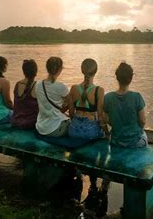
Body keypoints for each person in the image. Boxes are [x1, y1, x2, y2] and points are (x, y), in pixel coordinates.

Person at [68, 58, 109, 213]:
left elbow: (71, 114)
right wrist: (107, 133)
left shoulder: (73, 88)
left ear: (82, 70)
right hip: (91, 132)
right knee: (102, 143)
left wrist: (78, 124)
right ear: (95, 71)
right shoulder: (99, 90)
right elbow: (101, 116)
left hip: (74, 130)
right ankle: (95, 181)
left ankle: (79, 171)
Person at [103, 62, 147, 148]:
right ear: (131, 78)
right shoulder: (137, 97)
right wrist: (138, 129)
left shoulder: (108, 97)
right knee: (144, 135)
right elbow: (143, 121)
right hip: (135, 142)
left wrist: (116, 125)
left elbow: (106, 118)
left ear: (117, 78)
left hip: (116, 140)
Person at [11, 59, 39, 129]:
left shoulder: (18, 84)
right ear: (35, 72)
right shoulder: (36, 85)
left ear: (24, 72)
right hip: (30, 123)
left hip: (16, 121)